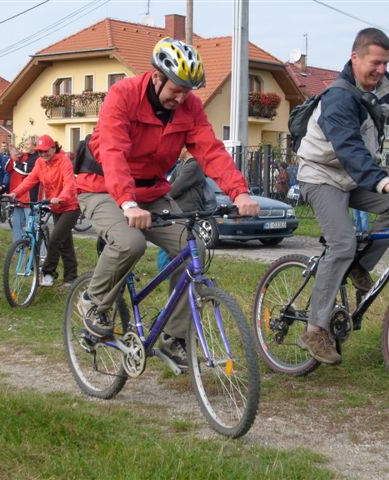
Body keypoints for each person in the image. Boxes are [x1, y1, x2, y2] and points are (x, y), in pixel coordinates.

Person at [75, 37, 259, 369]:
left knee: (193, 249)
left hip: (151, 192)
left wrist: (239, 192)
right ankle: (93, 302)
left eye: (189, 91)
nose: (182, 97)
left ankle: (174, 337)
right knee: (130, 243)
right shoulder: (124, 95)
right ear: (156, 76)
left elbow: (211, 151)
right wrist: (128, 203)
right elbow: (113, 151)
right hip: (102, 186)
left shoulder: (189, 108)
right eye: (177, 89)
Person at [295, 28, 389, 365]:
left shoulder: (380, 90)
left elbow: (368, 148)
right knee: (342, 242)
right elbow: (349, 150)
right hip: (321, 176)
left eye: (385, 64)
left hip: (353, 177)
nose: (380, 70)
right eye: (375, 63)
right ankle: (315, 329)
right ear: (355, 58)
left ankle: (359, 265)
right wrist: (385, 182)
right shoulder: (337, 98)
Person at [6, 134, 79, 287]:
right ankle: (71, 277)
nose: (43, 154)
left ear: (54, 148)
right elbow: (30, 180)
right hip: (55, 206)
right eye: (40, 151)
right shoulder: (40, 163)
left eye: (46, 150)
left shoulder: (63, 161)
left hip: (70, 206)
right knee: (65, 242)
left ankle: (48, 273)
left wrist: (61, 197)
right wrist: (15, 193)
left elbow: (70, 184)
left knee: (55, 239)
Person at [5, 136, 39, 243]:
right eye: (25, 143)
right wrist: (14, 156)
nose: (25, 145)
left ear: (35, 146)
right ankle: (18, 247)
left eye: (28, 144)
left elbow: (25, 170)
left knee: (33, 226)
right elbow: (9, 168)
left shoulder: (37, 158)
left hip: (30, 196)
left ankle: (39, 252)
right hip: (18, 196)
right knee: (17, 224)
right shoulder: (23, 156)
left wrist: (15, 159)